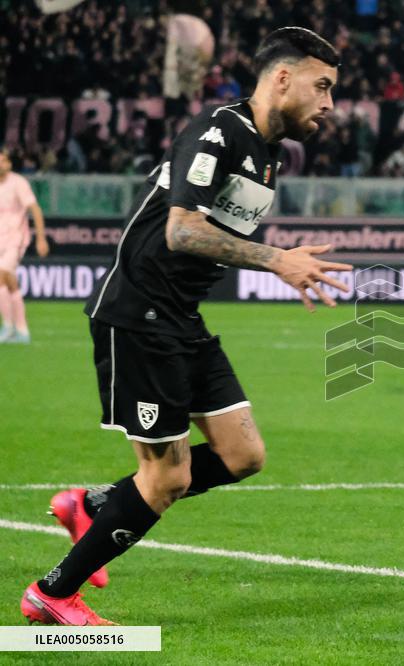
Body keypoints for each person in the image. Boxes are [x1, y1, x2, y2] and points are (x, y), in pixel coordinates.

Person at [21, 27, 351, 626]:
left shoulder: (267, 154)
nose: (329, 103)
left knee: (244, 453)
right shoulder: (217, 132)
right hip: (138, 314)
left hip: (180, 319)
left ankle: (94, 504)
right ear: (283, 78)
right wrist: (279, 259)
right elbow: (180, 230)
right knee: (167, 476)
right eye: (321, 86)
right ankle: (54, 593)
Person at [0, 148, 49, 343]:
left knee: (2, 273)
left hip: (16, 237)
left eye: (5, 160)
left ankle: (9, 327)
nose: (5, 164)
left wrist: (41, 238)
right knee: (9, 282)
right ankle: (21, 331)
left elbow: (35, 210)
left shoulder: (18, 182)